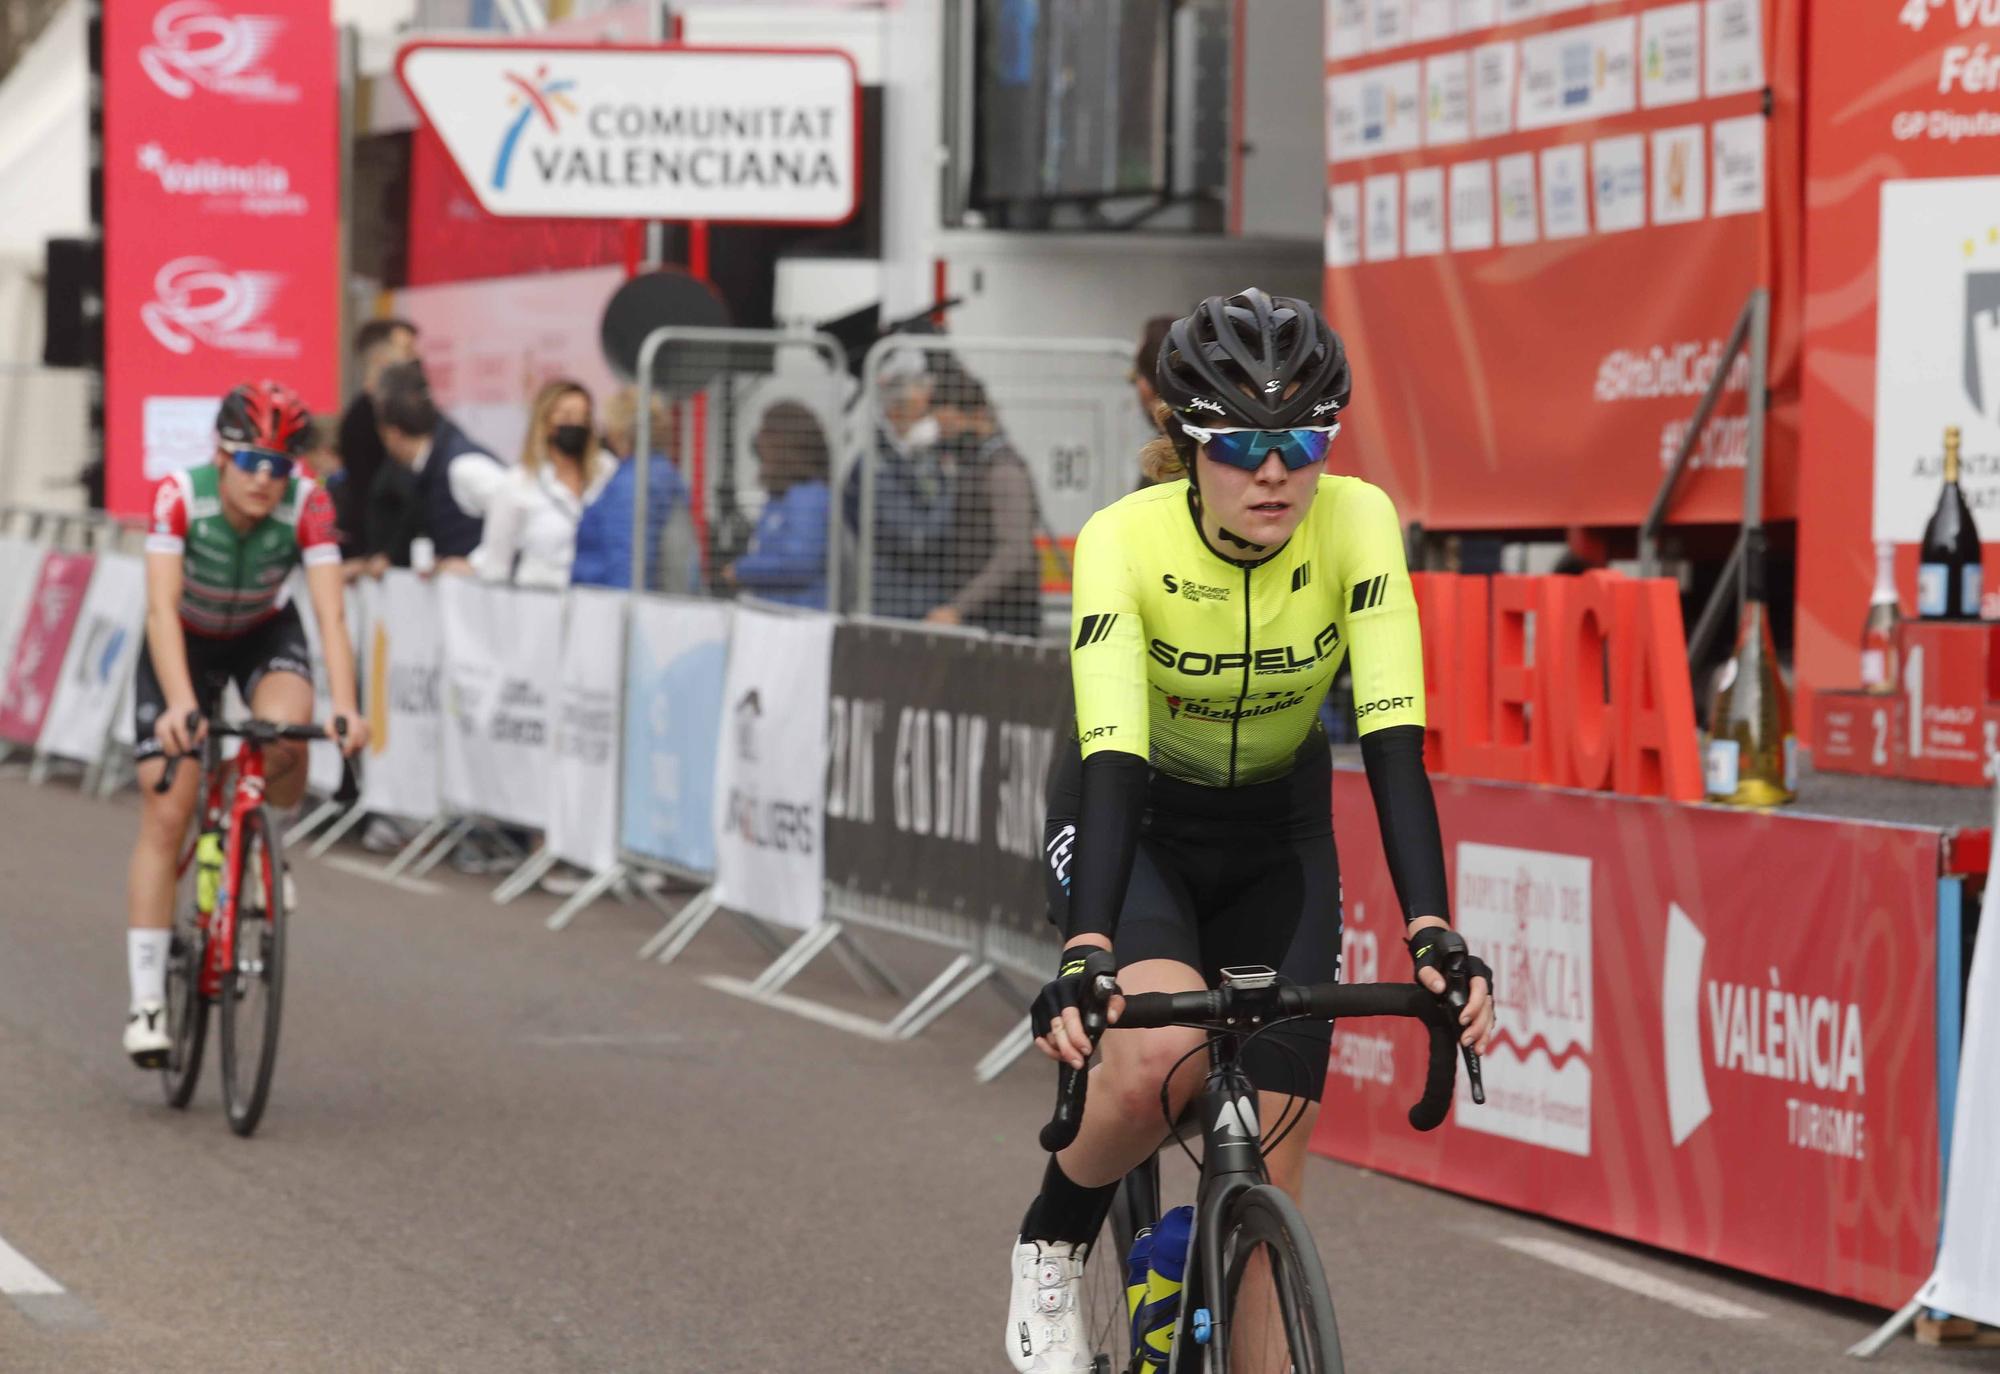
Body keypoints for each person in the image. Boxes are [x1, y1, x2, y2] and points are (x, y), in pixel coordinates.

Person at [1003, 290, 1495, 1373]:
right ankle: (1053, 1235)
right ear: (1186, 447)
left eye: (1301, 437)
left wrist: (1432, 931)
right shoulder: (1119, 539)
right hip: (1134, 816)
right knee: (1154, 1064)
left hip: (1277, 827)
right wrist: (1087, 951)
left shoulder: (1357, 519)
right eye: (1239, 443)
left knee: (1274, 1165)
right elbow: (1112, 757)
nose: (1274, 471)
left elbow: (1394, 740)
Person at [123, 381, 368, 1066]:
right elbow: (160, 612)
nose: (265, 480)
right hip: (185, 639)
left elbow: (330, 616)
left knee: (290, 734)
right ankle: (146, 1001)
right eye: (251, 462)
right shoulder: (180, 495)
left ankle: (256, 831)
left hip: (261, 631)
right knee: (168, 802)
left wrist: (345, 704)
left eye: (280, 466)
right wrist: (180, 704)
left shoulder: (309, 503)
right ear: (221, 455)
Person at [927, 366, 1042, 637]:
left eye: (948, 426)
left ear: (977, 415)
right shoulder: (976, 465)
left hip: (1005, 625)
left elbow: (1014, 552)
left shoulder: (1002, 470)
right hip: (984, 621)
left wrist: (958, 608)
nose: (943, 437)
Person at [474, 379, 615, 589]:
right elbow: (496, 566)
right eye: (567, 416)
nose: (576, 424)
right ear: (545, 421)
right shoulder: (518, 482)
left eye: (583, 417)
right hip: (538, 604)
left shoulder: (608, 471)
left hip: (596, 600)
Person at [849, 348, 956, 618]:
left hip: (927, 600)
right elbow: (915, 537)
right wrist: (953, 486)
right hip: (892, 604)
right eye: (922, 414)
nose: (929, 423)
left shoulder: (925, 457)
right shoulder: (876, 465)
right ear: (895, 413)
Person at [371, 359, 505, 574]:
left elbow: (521, 511)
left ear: (392, 433)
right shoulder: (426, 469)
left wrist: (476, 564)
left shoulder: (463, 466)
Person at [572, 386, 699, 593]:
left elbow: (627, 559)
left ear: (620, 428)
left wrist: (625, 617)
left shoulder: (632, 483)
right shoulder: (663, 474)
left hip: (609, 605)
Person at [724, 401, 831, 609]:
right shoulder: (781, 495)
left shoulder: (808, 497)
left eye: (765, 431)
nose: (758, 440)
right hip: (772, 616)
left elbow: (800, 564)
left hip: (797, 619)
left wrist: (743, 570)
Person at [335, 318, 418, 560]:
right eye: (407, 351)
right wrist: (380, 553)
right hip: (374, 555)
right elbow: (366, 492)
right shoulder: (359, 420)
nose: (415, 360)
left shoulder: (405, 413)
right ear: (379, 359)